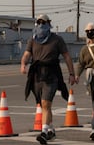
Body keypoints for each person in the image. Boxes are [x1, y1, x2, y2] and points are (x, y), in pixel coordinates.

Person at [20, 14, 76, 145]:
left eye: (43, 22)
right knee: (43, 104)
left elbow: (67, 57)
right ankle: (51, 130)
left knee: (46, 103)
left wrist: (72, 74)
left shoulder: (57, 39)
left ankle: (44, 132)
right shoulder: (32, 40)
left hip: (52, 75)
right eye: (38, 22)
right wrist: (23, 64)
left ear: (48, 24)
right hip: (37, 75)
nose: (41, 25)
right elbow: (27, 54)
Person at [75, 22, 94, 141]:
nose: (89, 33)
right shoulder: (85, 49)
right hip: (90, 79)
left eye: (92, 30)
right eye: (87, 31)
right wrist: (77, 75)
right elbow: (81, 63)